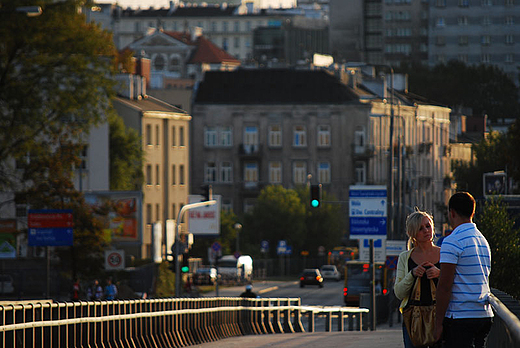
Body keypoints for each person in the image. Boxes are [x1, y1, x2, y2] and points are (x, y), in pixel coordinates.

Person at [434, 192, 493, 348]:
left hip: (460, 316)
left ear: (452, 212)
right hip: (484, 314)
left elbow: (445, 286)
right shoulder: (482, 240)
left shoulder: (452, 241)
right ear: (473, 212)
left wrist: (438, 323)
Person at [394, 209, 441, 348]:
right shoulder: (405, 257)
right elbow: (399, 292)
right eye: (421, 228)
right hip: (414, 317)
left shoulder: (444, 253)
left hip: (439, 316)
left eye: (428, 226)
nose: (426, 230)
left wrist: (440, 273)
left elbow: (456, 281)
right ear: (413, 233)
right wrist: (412, 274)